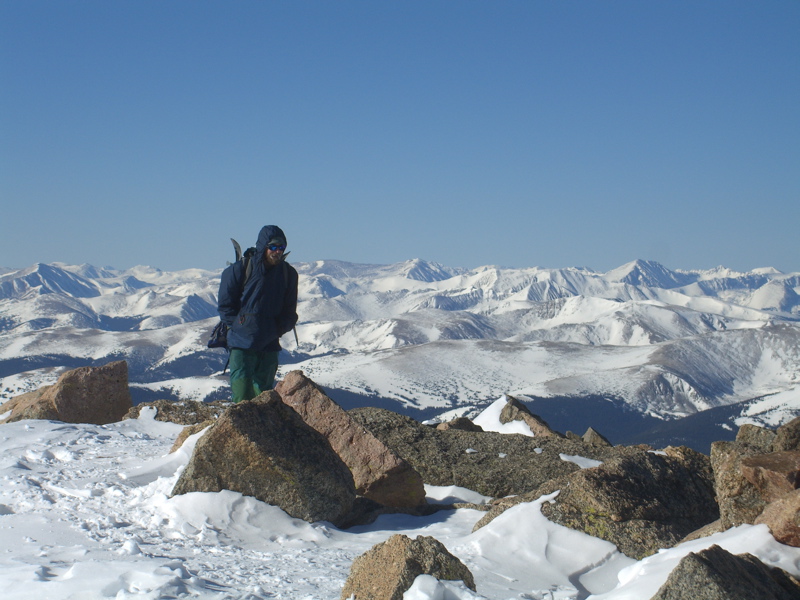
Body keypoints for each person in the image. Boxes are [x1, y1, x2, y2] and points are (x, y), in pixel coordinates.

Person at [217, 225, 298, 402]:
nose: (277, 251)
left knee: (263, 397)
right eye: (273, 247)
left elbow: (290, 312)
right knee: (242, 396)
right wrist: (239, 326)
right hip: (241, 343)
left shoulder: (288, 274)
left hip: (269, 343)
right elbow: (225, 306)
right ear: (263, 246)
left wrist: (277, 329)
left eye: (281, 247)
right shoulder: (240, 269)